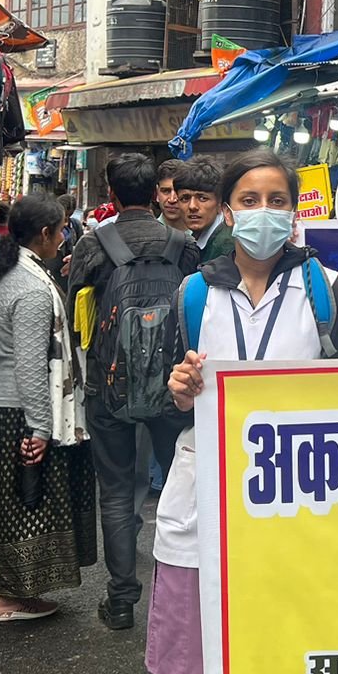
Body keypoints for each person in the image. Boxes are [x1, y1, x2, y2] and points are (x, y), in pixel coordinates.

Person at [158, 150, 338, 674]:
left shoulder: (328, 290)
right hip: (202, 509)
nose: (263, 213)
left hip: (295, 517)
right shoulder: (194, 294)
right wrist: (179, 390)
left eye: (278, 199)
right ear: (225, 209)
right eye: (249, 200)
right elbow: (171, 403)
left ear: (296, 210)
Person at [67, 153, 199, 631]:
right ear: (157, 193)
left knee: (119, 494)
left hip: (109, 389)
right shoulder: (183, 245)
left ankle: (121, 600)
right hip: (174, 388)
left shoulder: (93, 243)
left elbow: (73, 312)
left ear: (113, 193)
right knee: (183, 489)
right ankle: (181, 596)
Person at [0, 192, 99, 622]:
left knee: (15, 502)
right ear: (46, 234)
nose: (64, 237)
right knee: (26, 505)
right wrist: (39, 429)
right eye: (62, 229)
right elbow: (30, 363)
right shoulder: (30, 287)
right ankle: (8, 598)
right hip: (22, 408)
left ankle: (14, 593)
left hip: (5, 403)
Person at [173, 156, 233, 265]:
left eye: (202, 198)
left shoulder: (226, 246)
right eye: (185, 198)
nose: (192, 206)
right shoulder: (194, 239)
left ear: (220, 203)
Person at [156, 158, 188, 228]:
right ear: (157, 193)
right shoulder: (146, 234)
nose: (172, 199)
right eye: (166, 191)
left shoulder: (203, 235)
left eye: (177, 192)